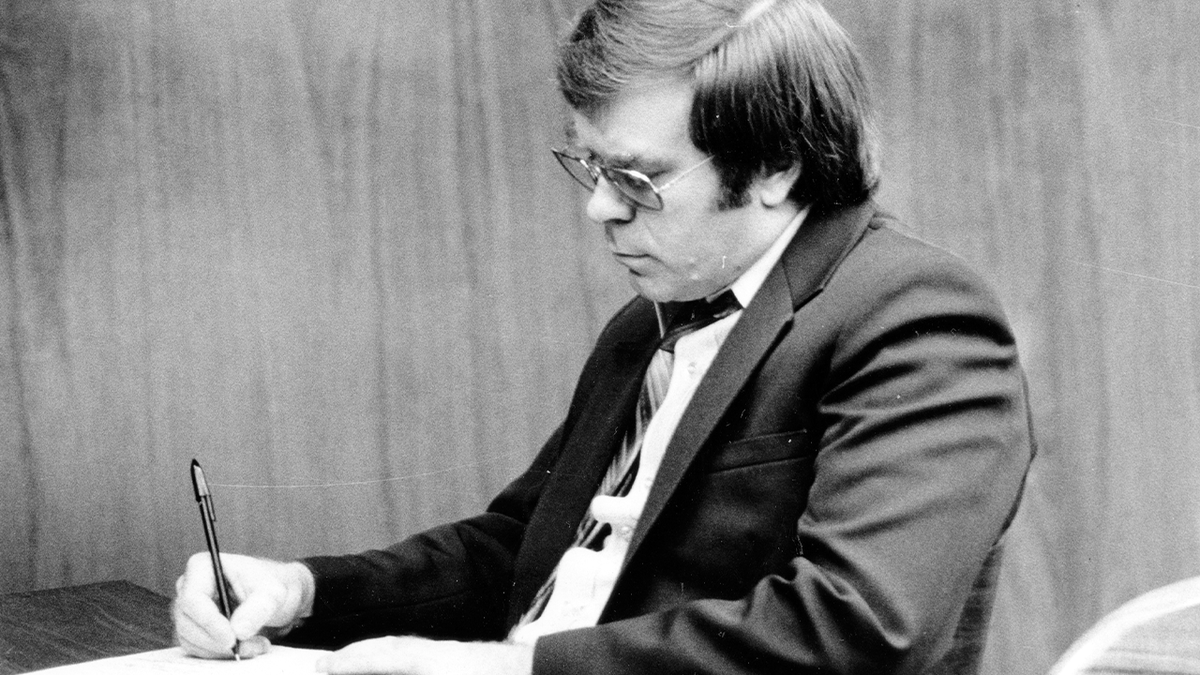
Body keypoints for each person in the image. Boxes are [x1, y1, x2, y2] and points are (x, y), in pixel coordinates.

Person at [173, 0, 1036, 673]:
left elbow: (859, 625)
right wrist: (301, 591)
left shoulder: (912, 315)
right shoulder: (652, 318)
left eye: (638, 178)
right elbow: (523, 549)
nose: (600, 208)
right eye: (591, 167)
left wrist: (511, 668)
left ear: (777, 166)